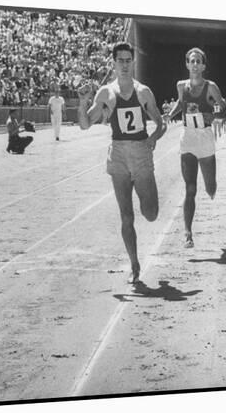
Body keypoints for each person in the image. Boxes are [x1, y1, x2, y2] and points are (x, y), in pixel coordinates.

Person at [77, 42, 167, 284]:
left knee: (150, 213)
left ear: (133, 62)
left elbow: (161, 123)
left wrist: (153, 137)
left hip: (140, 153)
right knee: (126, 216)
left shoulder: (143, 92)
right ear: (114, 63)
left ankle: (145, 196)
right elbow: (85, 124)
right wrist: (84, 101)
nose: (125, 65)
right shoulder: (106, 93)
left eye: (129, 60)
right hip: (117, 154)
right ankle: (134, 265)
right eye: (121, 61)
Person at [165, 47, 226, 248]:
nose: (194, 64)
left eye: (198, 61)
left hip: (205, 138)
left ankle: (211, 187)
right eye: (191, 61)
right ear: (186, 64)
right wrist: (171, 114)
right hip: (188, 138)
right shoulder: (180, 85)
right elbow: (180, 102)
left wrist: (214, 116)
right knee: (190, 188)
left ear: (203, 66)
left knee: (210, 186)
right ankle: (188, 233)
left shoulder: (211, 87)